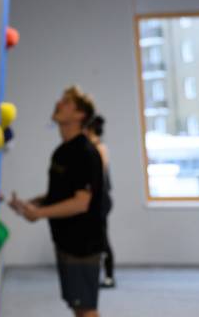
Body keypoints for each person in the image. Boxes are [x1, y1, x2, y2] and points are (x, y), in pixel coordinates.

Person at [9, 86, 104, 317]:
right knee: (77, 305)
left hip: (83, 244)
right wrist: (31, 204)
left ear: (80, 115)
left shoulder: (85, 152)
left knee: (86, 309)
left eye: (66, 102)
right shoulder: (61, 152)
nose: (59, 104)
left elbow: (81, 202)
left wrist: (40, 214)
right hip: (65, 240)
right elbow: (62, 194)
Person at [85, 114, 115, 288]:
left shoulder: (99, 147)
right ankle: (94, 274)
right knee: (95, 239)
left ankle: (109, 277)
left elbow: (97, 174)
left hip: (101, 200)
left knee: (102, 240)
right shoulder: (90, 147)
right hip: (94, 200)